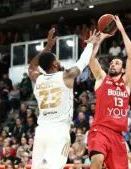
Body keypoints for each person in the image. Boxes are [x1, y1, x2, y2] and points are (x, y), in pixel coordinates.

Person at [29, 28, 99, 169]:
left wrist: (48, 47)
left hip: (41, 131)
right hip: (59, 131)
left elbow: (32, 66)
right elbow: (83, 61)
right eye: (57, 60)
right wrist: (90, 44)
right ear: (55, 64)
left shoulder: (38, 78)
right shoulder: (66, 76)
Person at [88, 16, 131, 169]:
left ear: (123, 70)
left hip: (117, 135)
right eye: (112, 62)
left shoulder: (126, 83)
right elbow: (91, 59)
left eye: (117, 63)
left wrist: (121, 30)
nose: (113, 64)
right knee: (97, 160)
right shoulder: (102, 79)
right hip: (100, 129)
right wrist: (101, 38)